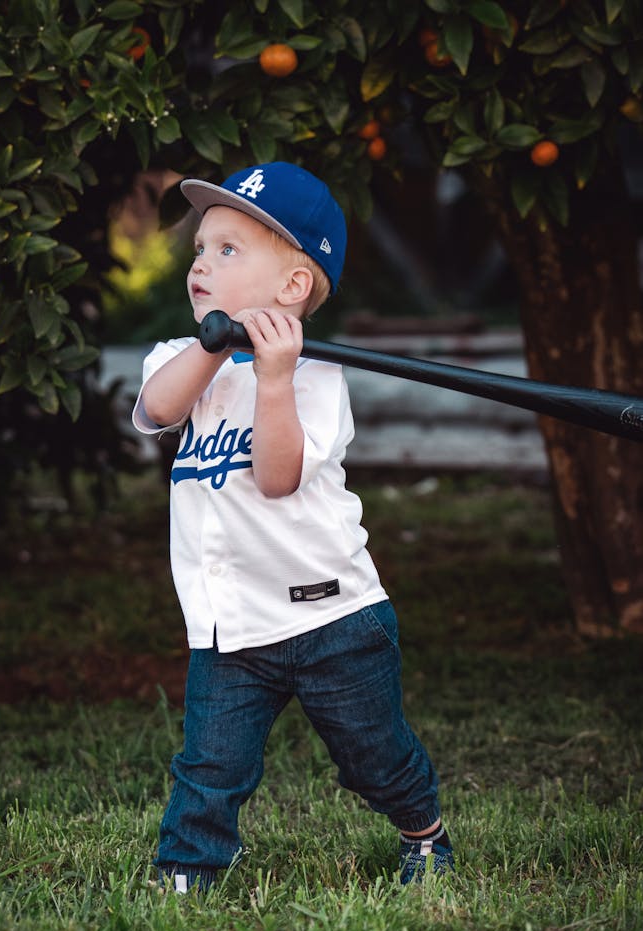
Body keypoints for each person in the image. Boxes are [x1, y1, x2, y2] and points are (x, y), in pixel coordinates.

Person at [132, 161, 454, 892]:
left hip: (332, 616)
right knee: (211, 760)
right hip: (231, 621)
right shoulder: (185, 363)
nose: (200, 266)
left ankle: (424, 830)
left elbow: (277, 479)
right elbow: (157, 408)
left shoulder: (316, 380)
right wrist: (215, 348)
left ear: (293, 288)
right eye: (200, 251)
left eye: (227, 251)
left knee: (372, 756)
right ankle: (189, 866)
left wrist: (273, 378)